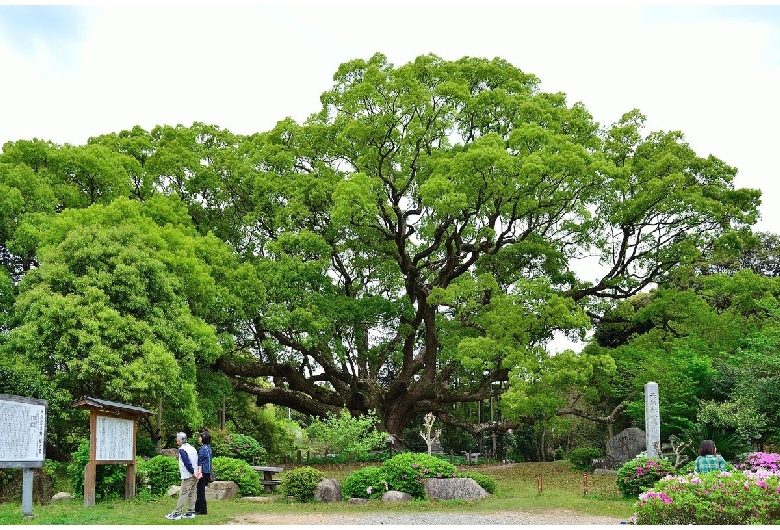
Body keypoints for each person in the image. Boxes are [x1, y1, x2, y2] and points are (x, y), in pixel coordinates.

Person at [165, 432, 201, 520]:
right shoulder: (192, 448)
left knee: (183, 494)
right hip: (196, 474)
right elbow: (198, 460)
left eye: (177, 439)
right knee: (192, 493)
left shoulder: (182, 450)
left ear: (179, 440)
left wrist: (193, 472)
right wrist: (197, 472)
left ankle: (177, 513)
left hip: (188, 475)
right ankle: (191, 512)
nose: (176, 440)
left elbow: (187, 463)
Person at [194, 431, 213, 515]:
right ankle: (199, 509)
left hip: (202, 472)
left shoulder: (202, 449)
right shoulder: (209, 448)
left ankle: (201, 510)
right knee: (201, 491)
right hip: (207, 471)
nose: (199, 438)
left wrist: (198, 472)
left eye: (200, 437)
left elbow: (199, 461)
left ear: (203, 439)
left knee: (200, 491)